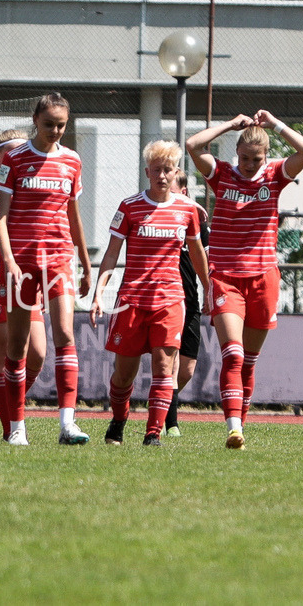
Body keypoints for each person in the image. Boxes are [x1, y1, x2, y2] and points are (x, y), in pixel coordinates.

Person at [185, 110, 303, 449]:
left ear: (266, 157)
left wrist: (276, 124)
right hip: (226, 278)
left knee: (249, 362)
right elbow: (192, 145)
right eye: (244, 157)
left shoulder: (274, 175)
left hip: (263, 279)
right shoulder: (222, 175)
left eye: (255, 159)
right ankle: (232, 428)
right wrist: (230, 124)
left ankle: (240, 426)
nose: (248, 164)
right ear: (236, 154)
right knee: (233, 354)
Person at [90, 141, 210, 446]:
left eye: (168, 169)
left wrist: (210, 290)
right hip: (131, 300)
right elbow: (111, 254)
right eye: (157, 169)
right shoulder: (129, 206)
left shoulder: (187, 210)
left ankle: (153, 433)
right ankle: (118, 421)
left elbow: (197, 255)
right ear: (147, 172)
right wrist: (98, 292)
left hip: (170, 300)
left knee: (164, 367)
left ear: (176, 173)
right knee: (123, 375)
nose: (162, 175)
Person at [0, 93, 94, 445]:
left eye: (61, 125)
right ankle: (16, 428)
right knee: (18, 345)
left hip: (59, 257)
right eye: (49, 123)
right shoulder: (15, 159)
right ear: (35, 120)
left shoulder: (72, 161)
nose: (55, 130)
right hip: (21, 260)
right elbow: (0, 215)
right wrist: (7, 259)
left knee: (65, 334)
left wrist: (84, 261)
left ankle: (68, 424)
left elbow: (73, 214)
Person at [0, 130, 47, 445]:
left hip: (23, 272)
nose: (20, 157)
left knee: (38, 354)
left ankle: (10, 405)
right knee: (5, 353)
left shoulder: (24, 184)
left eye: (23, 151)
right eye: (13, 151)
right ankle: (11, 428)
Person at [164, 168, 210, 436]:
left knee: (187, 369)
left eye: (172, 189)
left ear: (184, 192)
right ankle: (170, 423)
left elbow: (206, 262)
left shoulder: (198, 224)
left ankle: (160, 401)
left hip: (190, 301)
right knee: (170, 364)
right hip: (166, 300)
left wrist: (209, 293)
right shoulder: (157, 217)